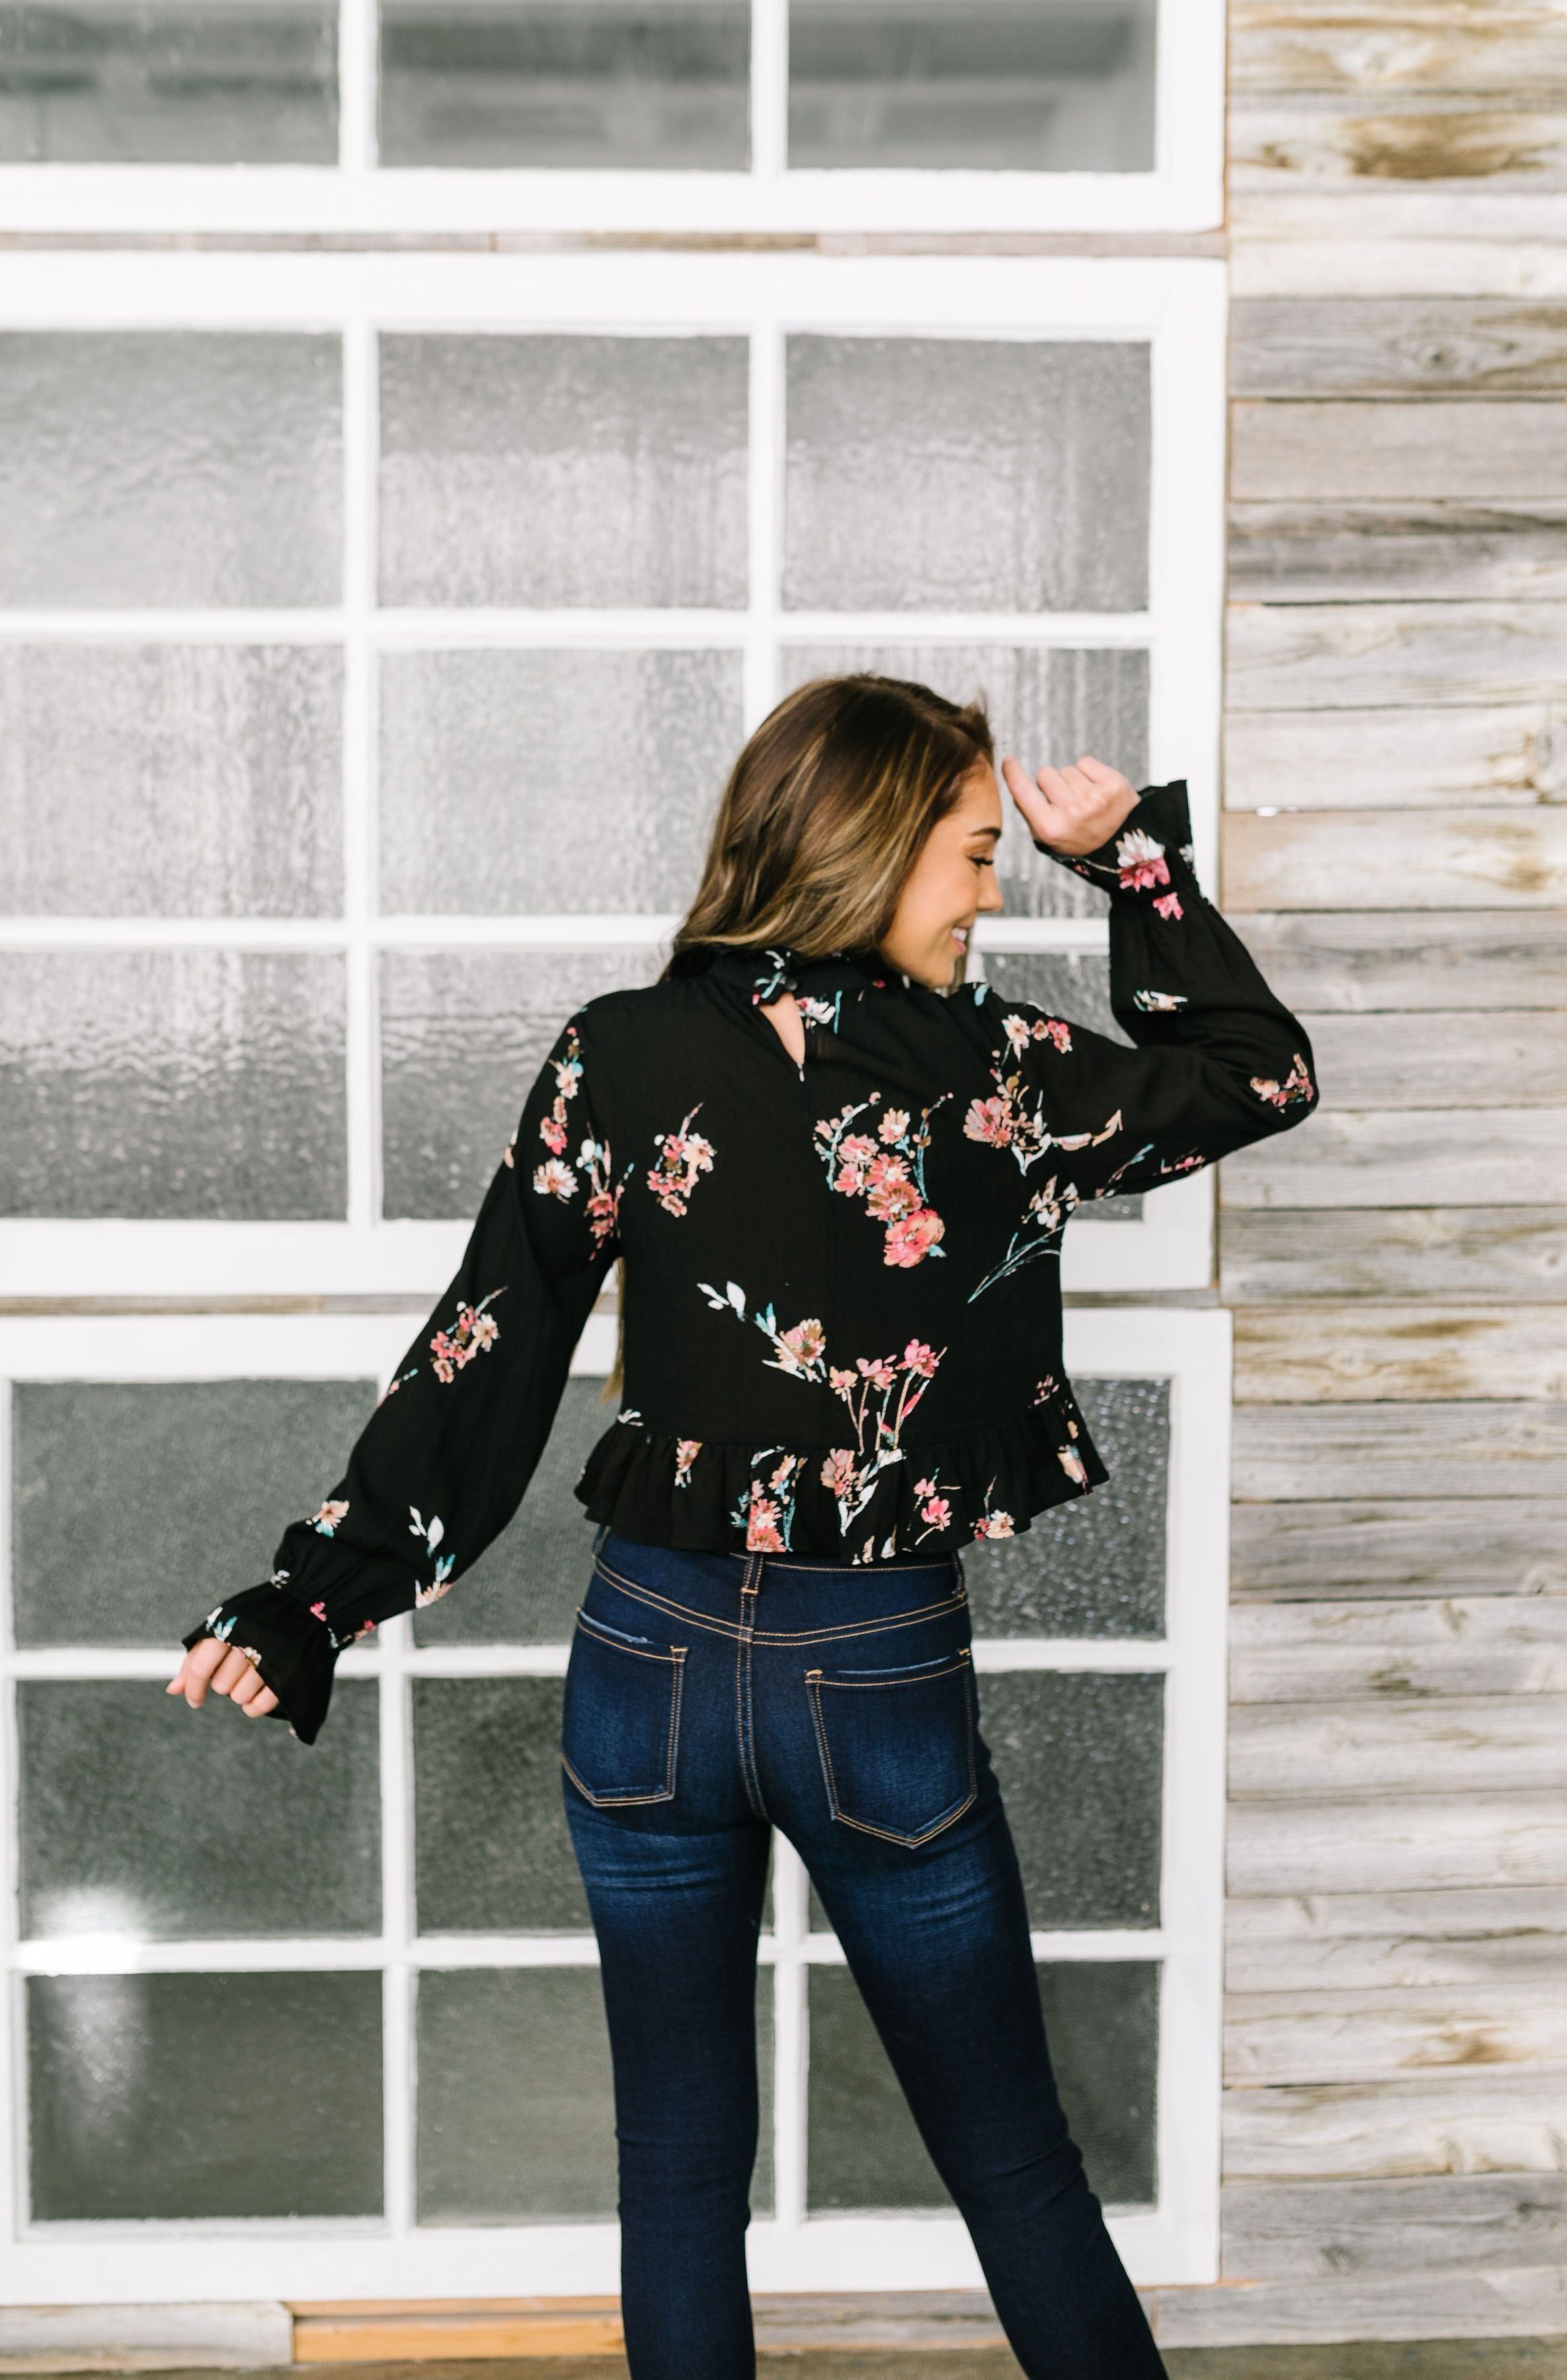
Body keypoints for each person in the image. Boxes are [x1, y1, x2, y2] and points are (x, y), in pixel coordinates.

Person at [169, 674, 1317, 2380]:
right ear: (870, 845)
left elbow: (487, 1346)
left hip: (645, 1664)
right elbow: (1258, 1074)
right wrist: (1133, 864)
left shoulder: (621, 1052)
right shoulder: (998, 1073)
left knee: (679, 2174)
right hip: (875, 1671)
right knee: (1013, 2163)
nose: (991, 892)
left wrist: (306, 1604)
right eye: (975, 855)